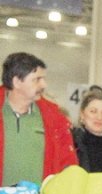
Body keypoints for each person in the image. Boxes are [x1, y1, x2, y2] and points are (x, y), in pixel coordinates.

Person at [0, 52, 76, 186]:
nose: (44, 85)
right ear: (17, 82)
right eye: (37, 79)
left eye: (43, 79)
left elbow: (68, 163)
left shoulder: (55, 119)